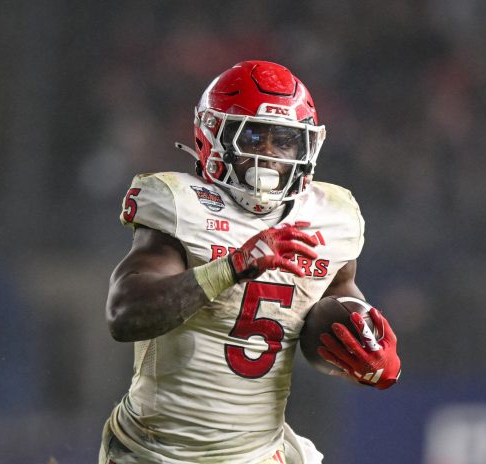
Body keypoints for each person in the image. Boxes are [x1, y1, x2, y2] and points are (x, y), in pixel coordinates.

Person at [99, 60, 401, 464]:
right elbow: (125, 315)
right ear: (214, 136)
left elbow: (329, 310)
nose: (270, 155)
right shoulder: (180, 203)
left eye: (285, 141)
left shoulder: (333, 214)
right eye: (254, 136)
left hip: (260, 453)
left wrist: (366, 346)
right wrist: (231, 267)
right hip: (159, 452)